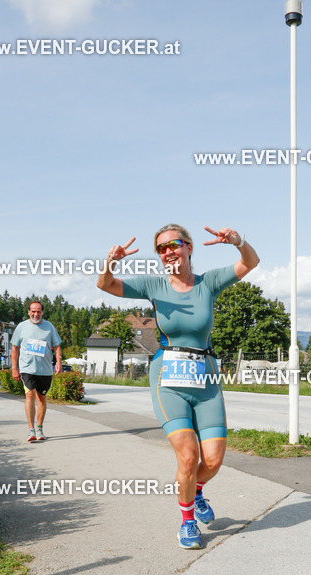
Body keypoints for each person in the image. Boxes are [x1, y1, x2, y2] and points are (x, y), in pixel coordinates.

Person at [97, 223, 259, 550]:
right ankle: (187, 522)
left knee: (212, 460)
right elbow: (105, 284)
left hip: (205, 379)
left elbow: (250, 262)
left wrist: (238, 241)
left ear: (189, 247)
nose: (168, 252)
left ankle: (194, 491)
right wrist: (110, 263)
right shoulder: (154, 285)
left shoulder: (208, 283)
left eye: (174, 244)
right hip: (168, 379)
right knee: (188, 457)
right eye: (161, 248)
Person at [10, 300, 62, 442]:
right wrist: (14, 368)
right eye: (33, 311)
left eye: (38, 311)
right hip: (27, 368)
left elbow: (57, 346)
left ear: (42, 312)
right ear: (28, 312)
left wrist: (58, 362)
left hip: (45, 370)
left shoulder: (49, 327)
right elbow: (15, 348)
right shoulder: (21, 327)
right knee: (30, 394)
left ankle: (39, 428)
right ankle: (31, 429)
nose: (36, 314)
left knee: (41, 398)